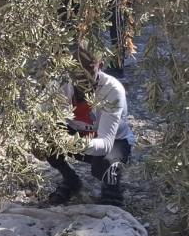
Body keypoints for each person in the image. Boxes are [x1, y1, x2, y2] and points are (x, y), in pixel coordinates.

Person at [47, 49, 135, 206]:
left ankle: (112, 190)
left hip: (115, 142)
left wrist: (71, 143)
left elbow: (106, 143)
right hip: (79, 137)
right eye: (75, 72)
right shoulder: (60, 85)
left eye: (88, 71)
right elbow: (46, 121)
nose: (82, 79)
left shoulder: (112, 90)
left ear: (100, 66)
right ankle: (71, 180)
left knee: (106, 163)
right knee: (44, 140)